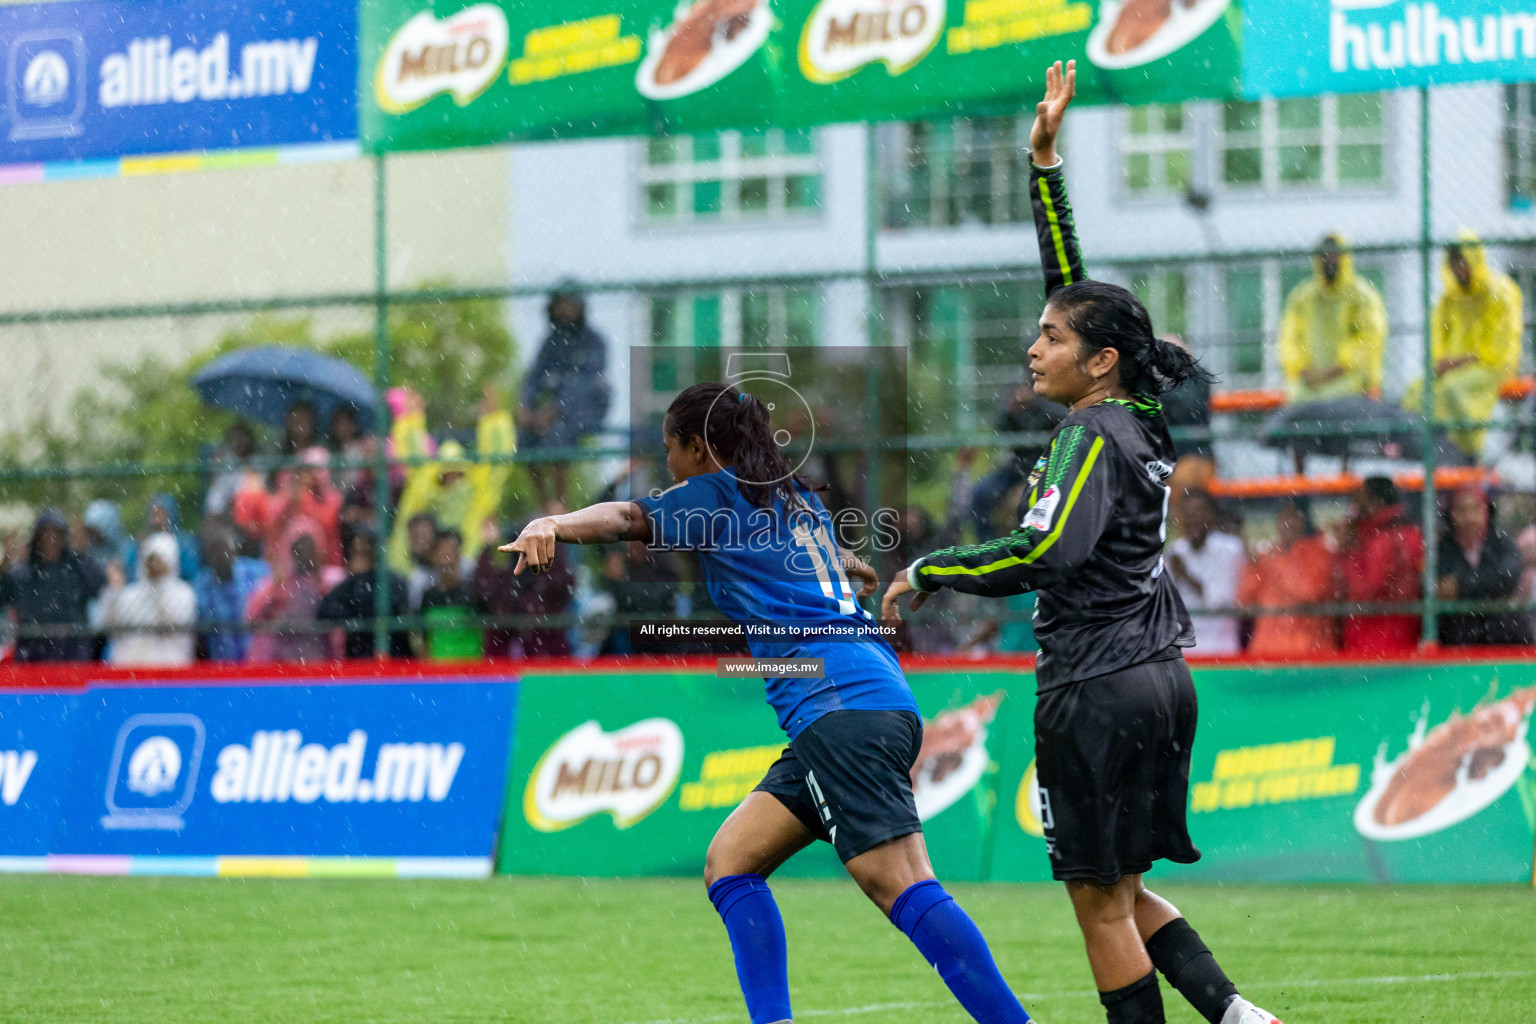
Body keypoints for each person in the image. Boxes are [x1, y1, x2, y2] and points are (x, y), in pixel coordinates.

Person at [883, 62, 1282, 1024]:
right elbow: (1079, 290)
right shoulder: (1142, 413)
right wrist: (1045, 167)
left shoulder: (1088, 432)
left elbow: (1042, 553)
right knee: (1125, 891)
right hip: (1159, 676)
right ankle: (1238, 1017)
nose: (1034, 347)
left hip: (1094, 687)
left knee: (1096, 904)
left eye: (1050, 339)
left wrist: (928, 569)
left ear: (1096, 361)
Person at [502, 382, 1038, 1024]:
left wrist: (552, 523)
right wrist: (844, 565)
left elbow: (624, 519)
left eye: (670, 449)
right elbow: (798, 564)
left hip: (838, 706)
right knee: (731, 863)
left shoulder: (714, 491)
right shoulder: (791, 496)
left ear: (698, 447)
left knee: (902, 884)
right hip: (865, 698)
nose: (667, 467)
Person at [1403, 233, 1523, 461]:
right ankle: (1432, 449)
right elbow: (1438, 339)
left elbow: (1499, 348)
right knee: (1415, 393)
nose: (1458, 268)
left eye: (1463, 261)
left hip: (1491, 366)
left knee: (1453, 389)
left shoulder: (1499, 292)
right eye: (1453, 262)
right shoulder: (1450, 298)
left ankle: (1469, 452)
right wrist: (1440, 362)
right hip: (1455, 368)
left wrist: (1460, 362)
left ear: (1474, 260)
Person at [387, 387, 515, 580]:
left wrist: (493, 420)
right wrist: (412, 418)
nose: (453, 480)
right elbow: (414, 457)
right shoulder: (425, 489)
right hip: (424, 570)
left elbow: (497, 463)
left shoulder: (476, 491)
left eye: (457, 473)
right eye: (446, 475)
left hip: (466, 568)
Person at [518, 286, 611, 507]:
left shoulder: (595, 341)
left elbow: (586, 383)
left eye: (571, 305)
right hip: (551, 411)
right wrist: (526, 407)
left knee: (559, 433)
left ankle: (561, 504)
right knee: (525, 439)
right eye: (561, 305)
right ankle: (544, 505)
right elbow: (534, 377)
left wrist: (556, 408)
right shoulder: (551, 341)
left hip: (586, 408)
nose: (566, 311)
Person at [1277, 234, 1387, 405]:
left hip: (1352, 381)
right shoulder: (1303, 298)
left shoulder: (1362, 297)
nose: (1329, 261)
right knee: (1297, 398)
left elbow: (1368, 340)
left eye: (1335, 255)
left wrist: (1338, 368)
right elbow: (1290, 339)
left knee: (1331, 404)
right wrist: (1303, 369)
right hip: (1310, 384)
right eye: (1324, 256)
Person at [1237, 498, 1338, 657]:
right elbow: (1245, 601)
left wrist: (1274, 561)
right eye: (1282, 516)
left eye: (1292, 516)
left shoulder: (1320, 552)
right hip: (1266, 650)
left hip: (1309, 650)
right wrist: (1252, 566)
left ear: (1304, 520)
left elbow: (1309, 593)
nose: (1286, 522)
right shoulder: (1268, 555)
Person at [0, 509, 105, 663]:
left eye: (56, 534)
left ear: (64, 538)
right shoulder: (25, 571)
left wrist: (83, 554)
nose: (51, 540)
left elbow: (99, 586)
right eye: (45, 534)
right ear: (37, 538)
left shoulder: (76, 568)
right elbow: (4, 595)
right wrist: (5, 567)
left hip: (72, 651)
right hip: (32, 652)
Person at [1337, 476, 1423, 654]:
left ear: (1374, 503)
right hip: (1405, 636)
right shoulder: (1409, 532)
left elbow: (1363, 590)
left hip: (1373, 642)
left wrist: (1348, 550)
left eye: (1358, 502)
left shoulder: (1380, 539)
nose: (1354, 510)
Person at [1436, 486, 1531, 646]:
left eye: (1476, 509)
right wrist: (1490, 588)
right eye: (1461, 510)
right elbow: (1438, 589)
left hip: (1506, 635)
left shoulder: (1503, 543)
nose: (1469, 517)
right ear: (1450, 515)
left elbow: (1507, 580)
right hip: (1457, 638)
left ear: (1487, 512)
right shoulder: (1443, 548)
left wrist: (1461, 587)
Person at [969, 382, 1065, 540]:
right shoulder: (1016, 387)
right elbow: (1001, 428)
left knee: (1028, 495)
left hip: (1041, 464)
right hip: (1016, 465)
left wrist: (1036, 403)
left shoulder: (1052, 391)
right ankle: (986, 547)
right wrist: (1012, 410)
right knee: (980, 494)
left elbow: (1062, 416)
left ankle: (1032, 543)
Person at [473, 521, 574, 659]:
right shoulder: (506, 578)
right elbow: (483, 589)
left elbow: (564, 585)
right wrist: (489, 547)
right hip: (505, 656)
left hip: (547, 654)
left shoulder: (552, 577)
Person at [97, 532, 197, 667]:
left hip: (171, 674)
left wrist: (159, 586)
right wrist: (114, 591)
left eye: (159, 560)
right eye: (150, 560)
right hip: (132, 673)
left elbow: (175, 625)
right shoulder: (130, 595)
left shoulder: (184, 594)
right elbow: (108, 625)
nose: (154, 565)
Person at [1167, 489, 1246, 657]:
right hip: (1183, 653)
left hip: (1220, 650)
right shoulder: (1175, 552)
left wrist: (1186, 576)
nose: (1192, 518)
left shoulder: (1231, 549)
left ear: (1211, 516)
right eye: (1187, 513)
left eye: (1198, 512)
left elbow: (1219, 602)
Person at [246, 532, 343, 664]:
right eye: (300, 550)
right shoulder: (276, 584)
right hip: (282, 659)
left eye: (309, 551)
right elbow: (251, 617)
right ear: (292, 553)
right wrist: (276, 589)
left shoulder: (328, 583)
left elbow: (334, 629)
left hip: (315, 658)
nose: (305, 556)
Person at [317, 529, 412, 659]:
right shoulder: (350, 584)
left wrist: (360, 578)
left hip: (393, 658)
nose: (360, 556)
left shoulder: (392, 581)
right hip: (358, 659)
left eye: (365, 551)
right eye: (356, 552)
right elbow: (325, 612)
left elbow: (382, 613)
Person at [193, 521, 271, 663]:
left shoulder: (256, 572)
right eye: (214, 552)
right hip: (219, 663)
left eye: (224, 550)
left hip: (254, 662)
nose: (220, 557)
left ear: (234, 551)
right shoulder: (202, 583)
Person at [418, 530, 484, 660]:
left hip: (470, 672)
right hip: (438, 673)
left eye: (450, 549)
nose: (445, 555)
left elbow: (485, 635)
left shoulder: (473, 593)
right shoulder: (429, 596)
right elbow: (425, 639)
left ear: (459, 553)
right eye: (441, 550)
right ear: (433, 556)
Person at [205, 421, 260, 516]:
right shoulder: (226, 461)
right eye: (234, 438)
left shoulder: (257, 462)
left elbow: (255, 489)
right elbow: (217, 487)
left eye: (241, 437)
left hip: (246, 511)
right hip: (222, 512)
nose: (238, 442)